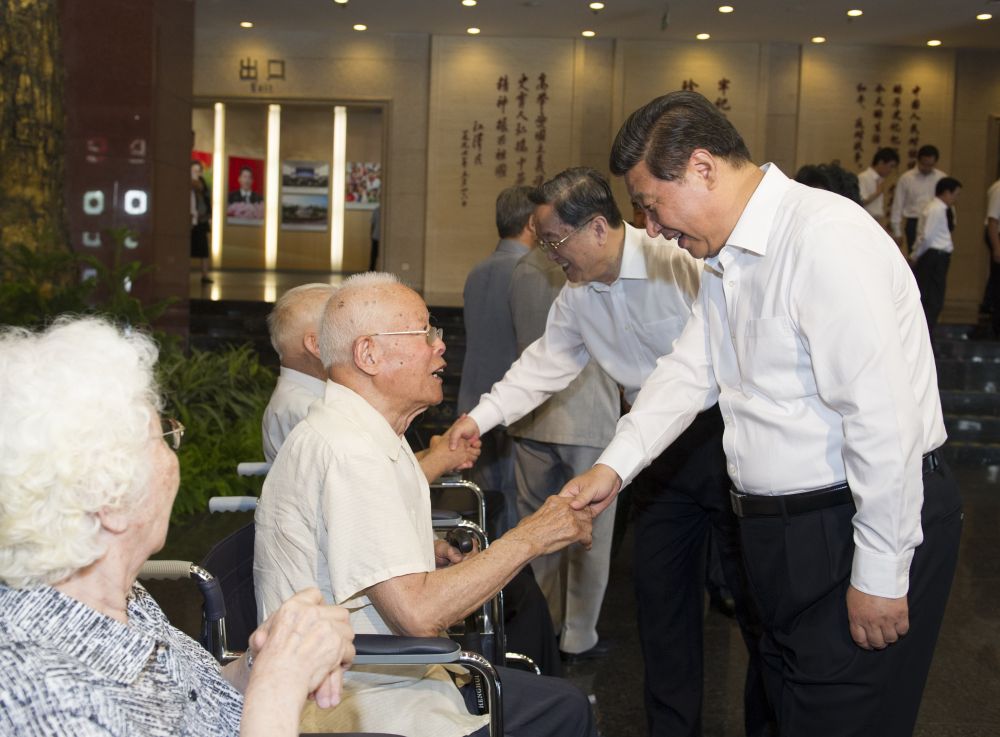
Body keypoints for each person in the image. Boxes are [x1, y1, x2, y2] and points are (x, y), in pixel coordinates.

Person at [562, 90, 962, 737]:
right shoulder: (727, 257)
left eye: (652, 205)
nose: (651, 229)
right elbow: (690, 370)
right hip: (782, 534)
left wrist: (883, 569)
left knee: (837, 717)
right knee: (782, 712)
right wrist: (612, 468)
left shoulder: (823, 238)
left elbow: (882, 417)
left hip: (854, 522)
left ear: (701, 168)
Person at [446, 168, 772, 736]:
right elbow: (545, 363)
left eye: (555, 242)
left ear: (598, 228)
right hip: (652, 452)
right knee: (662, 602)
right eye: (544, 244)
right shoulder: (577, 296)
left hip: (726, 440)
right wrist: (478, 418)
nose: (550, 257)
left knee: (753, 603)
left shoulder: (677, 259)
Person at [253, 272, 597, 737]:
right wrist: (533, 536)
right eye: (424, 332)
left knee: (562, 701)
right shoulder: (349, 449)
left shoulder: (362, 432)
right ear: (369, 354)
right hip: (364, 695)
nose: (440, 345)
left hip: (392, 675)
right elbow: (416, 616)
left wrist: (419, 549)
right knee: (567, 709)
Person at [0, 317, 355, 737]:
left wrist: (267, 660)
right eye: (163, 438)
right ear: (109, 500)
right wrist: (278, 688)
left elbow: (198, 703)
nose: (175, 456)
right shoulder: (44, 694)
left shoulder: (121, 599)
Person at [507, 221, 620, 662]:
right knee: (591, 531)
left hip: (532, 415)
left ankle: (540, 628)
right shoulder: (594, 265)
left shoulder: (524, 268)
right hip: (587, 413)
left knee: (535, 530)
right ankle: (579, 635)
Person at [262, 282, 480, 479]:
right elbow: (374, 486)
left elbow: (375, 466)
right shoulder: (306, 409)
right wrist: (441, 458)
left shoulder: (310, 399)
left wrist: (436, 451)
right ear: (317, 344)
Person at [457, 186, 539, 534]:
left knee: (482, 501)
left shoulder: (477, 271)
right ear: (533, 222)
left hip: (473, 401)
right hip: (511, 404)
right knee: (512, 504)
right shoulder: (531, 272)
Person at [912, 177, 963, 332]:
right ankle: (927, 332)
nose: (956, 199)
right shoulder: (936, 209)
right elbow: (927, 236)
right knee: (932, 297)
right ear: (946, 192)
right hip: (933, 255)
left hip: (937, 255)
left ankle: (928, 331)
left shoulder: (942, 209)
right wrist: (915, 255)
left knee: (934, 297)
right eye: (955, 194)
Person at [890, 144, 947, 253]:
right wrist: (897, 231)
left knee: (934, 255)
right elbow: (897, 205)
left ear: (935, 162)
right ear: (918, 161)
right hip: (914, 221)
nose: (927, 168)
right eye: (924, 164)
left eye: (930, 165)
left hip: (935, 221)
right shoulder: (906, 178)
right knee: (914, 256)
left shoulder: (941, 178)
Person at [858, 147, 900, 229]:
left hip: (876, 221)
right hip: (866, 221)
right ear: (881, 162)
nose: (891, 170)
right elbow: (859, 202)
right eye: (891, 166)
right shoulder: (864, 177)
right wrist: (877, 193)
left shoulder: (880, 179)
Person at [981, 176, 1000, 336]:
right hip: (997, 236)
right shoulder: (998, 189)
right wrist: (997, 247)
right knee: (997, 282)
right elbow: (992, 221)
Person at [190, 160, 212, 284]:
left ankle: (205, 275)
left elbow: (206, 199)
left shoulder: (203, 184)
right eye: (194, 170)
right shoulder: (187, 182)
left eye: (198, 170)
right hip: (191, 220)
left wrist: (208, 215)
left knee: (204, 250)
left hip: (202, 220)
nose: (196, 173)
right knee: (187, 248)